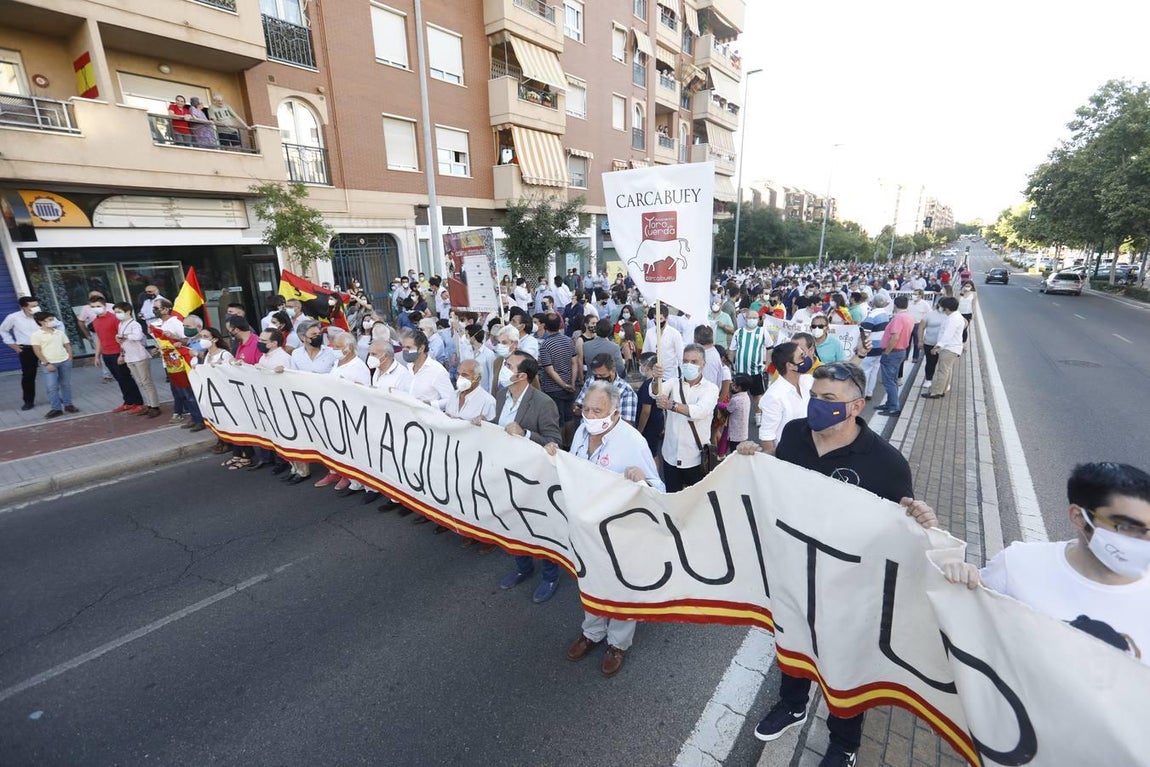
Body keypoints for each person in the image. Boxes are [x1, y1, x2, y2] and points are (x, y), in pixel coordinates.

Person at [745, 362, 937, 767]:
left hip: (850, 587)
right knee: (792, 638)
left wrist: (918, 519)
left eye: (829, 400)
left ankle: (844, 743)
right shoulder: (795, 434)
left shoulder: (886, 464)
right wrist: (752, 461)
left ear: (856, 407)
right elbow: (777, 481)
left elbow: (899, 530)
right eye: (814, 396)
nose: (817, 406)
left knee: (844, 667)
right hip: (796, 571)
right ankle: (793, 705)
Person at [942, 461, 1150, 665]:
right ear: (1079, 517)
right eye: (1126, 527)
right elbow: (968, 627)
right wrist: (956, 577)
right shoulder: (1019, 563)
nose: (1143, 540)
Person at [555, 382, 664, 677]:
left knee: (620, 587)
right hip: (584, 530)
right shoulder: (581, 432)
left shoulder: (632, 441)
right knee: (590, 581)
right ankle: (591, 632)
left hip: (618, 533)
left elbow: (658, 489)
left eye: (597, 410)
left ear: (614, 411)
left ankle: (618, 643)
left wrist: (642, 478)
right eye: (586, 409)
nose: (589, 415)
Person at [494, 352, 563, 601]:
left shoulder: (543, 403)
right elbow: (495, 427)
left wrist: (525, 434)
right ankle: (522, 567)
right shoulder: (501, 395)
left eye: (508, 365)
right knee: (512, 524)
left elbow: (555, 442)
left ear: (522, 375)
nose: (503, 368)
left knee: (539, 528)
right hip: (504, 473)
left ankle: (550, 576)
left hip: (533, 479)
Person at [655, 344, 720, 492]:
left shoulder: (711, 388)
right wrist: (655, 379)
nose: (688, 365)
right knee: (673, 497)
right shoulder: (673, 383)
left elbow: (700, 411)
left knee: (697, 501)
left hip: (696, 457)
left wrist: (672, 405)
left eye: (694, 362)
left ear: (703, 364)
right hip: (670, 455)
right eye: (685, 361)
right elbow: (656, 393)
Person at [754, 342, 813, 455]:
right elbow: (767, 436)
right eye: (802, 356)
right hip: (789, 457)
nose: (806, 358)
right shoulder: (774, 396)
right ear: (790, 365)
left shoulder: (808, 381)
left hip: (810, 452)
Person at [112, 301, 162, 418]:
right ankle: (149, 404)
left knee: (146, 381)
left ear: (128, 311)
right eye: (116, 312)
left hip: (139, 356)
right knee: (140, 382)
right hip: (129, 357)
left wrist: (124, 336)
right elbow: (122, 342)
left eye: (119, 312)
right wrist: (122, 354)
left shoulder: (135, 324)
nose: (117, 314)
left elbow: (138, 336)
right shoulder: (121, 324)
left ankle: (154, 406)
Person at [3, 296, 53, 410]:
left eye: (36, 305)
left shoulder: (42, 315)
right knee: (28, 375)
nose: (36, 308)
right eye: (33, 306)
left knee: (51, 371)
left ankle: (54, 397)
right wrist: (12, 344)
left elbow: (58, 324)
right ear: (23, 307)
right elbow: (3, 330)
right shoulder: (13, 317)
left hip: (44, 347)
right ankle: (28, 401)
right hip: (27, 349)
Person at [538, 313, 578, 444]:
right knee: (569, 417)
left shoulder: (545, 345)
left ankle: (560, 446)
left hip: (553, 388)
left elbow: (549, 370)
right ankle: (569, 444)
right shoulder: (568, 340)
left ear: (545, 326)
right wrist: (571, 383)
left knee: (558, 419)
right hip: (569, 384)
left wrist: (562, 385)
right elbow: (574, 363)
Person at [30, 310, 76, 418]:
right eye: (50, 320)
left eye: (53, 319)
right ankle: (56, 408)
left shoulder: (59, 332)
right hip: (49, 364)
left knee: (66, 385)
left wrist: (70, 356)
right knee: (52, 387)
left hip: (64, 361)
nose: (53, 321)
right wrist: (46, 363)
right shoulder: (37, 335)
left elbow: (67, 345)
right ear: (41, 322)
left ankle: (68, 405)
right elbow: (37, 350)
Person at [574, 353, 638, 426]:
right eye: (596, 375)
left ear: (613, 371)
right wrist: (578, 408)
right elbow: (578, 402)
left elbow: (626, 424)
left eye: (602, 375)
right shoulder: (590, 381)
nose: (598, 378)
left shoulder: (626, 392)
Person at [728, 307, 771, 415]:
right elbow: (732, 349)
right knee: (737, 394)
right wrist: (731, 363)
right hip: (740, 370)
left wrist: (768, 363)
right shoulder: (739, 332)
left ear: (758, 319)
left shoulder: (762, 332)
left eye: (754, 317)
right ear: (745, 319)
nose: (752, 319)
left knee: (757, 395)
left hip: (755, 371)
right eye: (749, 317)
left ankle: (758, 416)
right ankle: (736, 414)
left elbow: (770, 348)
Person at [876, 295, 914, 416]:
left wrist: (887, 351)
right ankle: (890, 403)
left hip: (893, 352)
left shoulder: (898, 318)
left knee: (889, 381)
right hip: (901, 351)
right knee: (892, 379)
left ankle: (893, 407)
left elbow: (895, 336)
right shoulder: (908, 317)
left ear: (895, 305)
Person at [924, 296, 964, 399]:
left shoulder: (953, 319)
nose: (941, 309)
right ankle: (943, 389)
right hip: (952, 348)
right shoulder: (955, 316)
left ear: (947, 308)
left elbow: (947, 335)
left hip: (949, 348)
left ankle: (936, 392)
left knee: (942, 371)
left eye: (943, 307)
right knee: (947, 370)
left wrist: (937, 347)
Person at [642, 304, 684, 382]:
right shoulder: (649, 333)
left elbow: (680, 357)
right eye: (655, 319)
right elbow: (645, 353)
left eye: (660, 319)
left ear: (666, 318)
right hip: (653, 376)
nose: (657, 322)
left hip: (670, 377)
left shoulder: (675, 334)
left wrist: (683, 377)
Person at [635, 352, 665, 461]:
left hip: (649, 426)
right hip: (658, 422)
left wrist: (639, 431)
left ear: (647, 366)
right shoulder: (661, 382)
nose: (640, 368)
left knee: (651, 455)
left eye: (641, 365)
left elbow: (645, 411)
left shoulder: (648, 385)